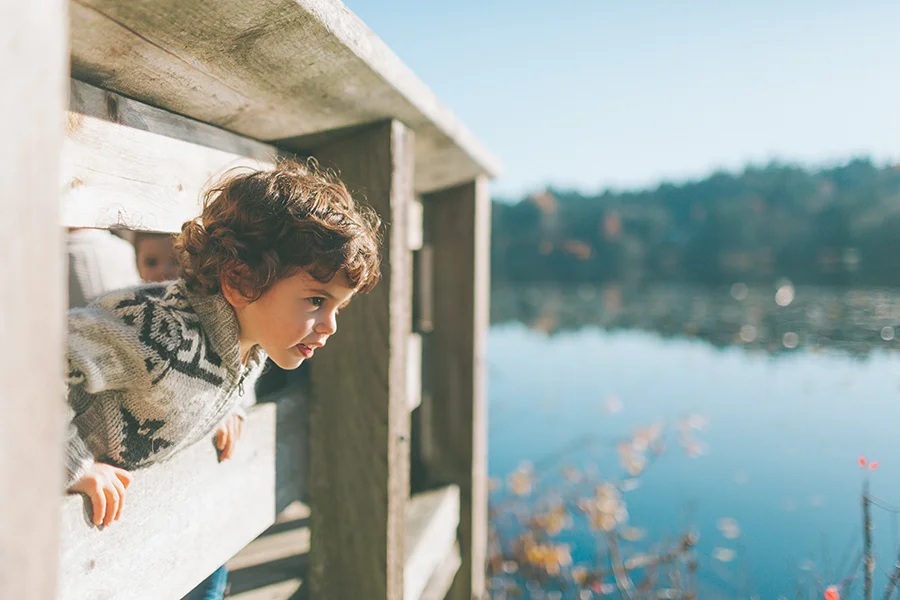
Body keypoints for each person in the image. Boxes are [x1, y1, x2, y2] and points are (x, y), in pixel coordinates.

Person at [64, 160, 382, 597]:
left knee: (210, 565)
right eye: (315, 300)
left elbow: (221, 379)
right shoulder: (153, 329)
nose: (330, 326)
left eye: (338, 308)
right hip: (63, 538)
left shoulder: (251, 341)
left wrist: (227, 407)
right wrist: (70, 461)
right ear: (239, 280)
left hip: (152, 532)